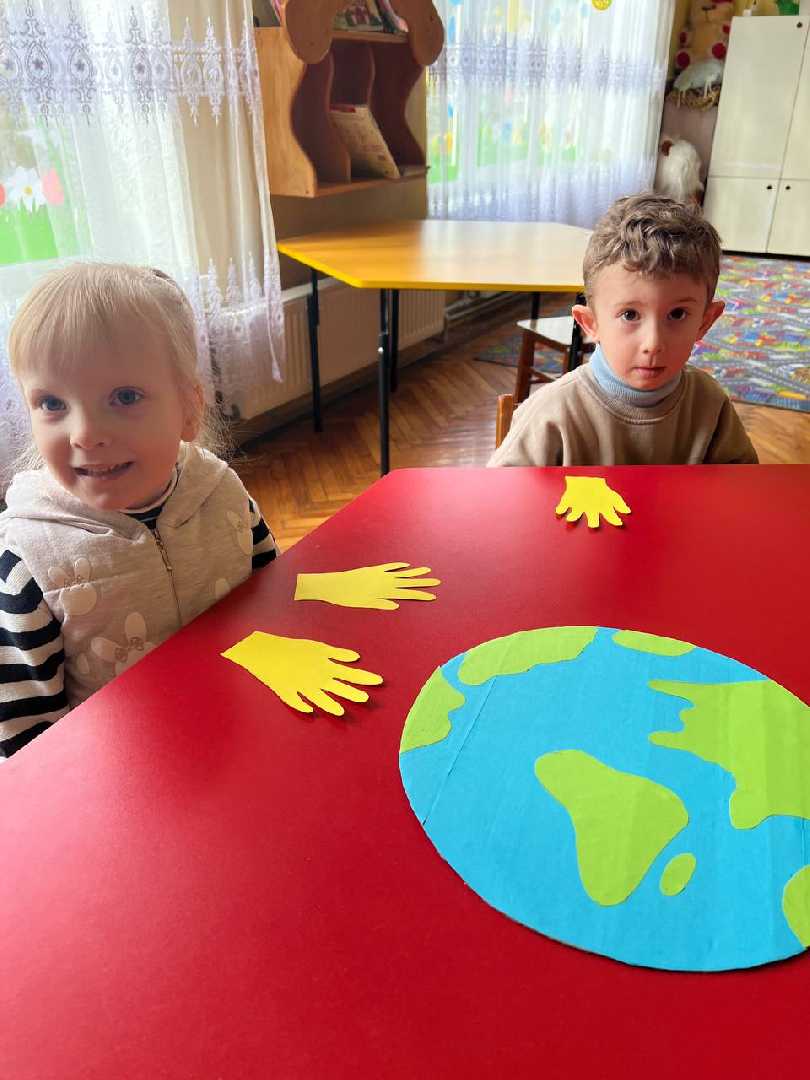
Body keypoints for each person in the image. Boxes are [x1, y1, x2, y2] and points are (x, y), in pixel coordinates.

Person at [0, 262, 281, 757]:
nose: (85, 434)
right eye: (52, 404)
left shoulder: (223, 493)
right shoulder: (29, 561)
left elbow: (273, 600)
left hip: (246, 730)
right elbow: (22, 733)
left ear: (189, 408)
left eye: (124, 397)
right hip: (123, 775)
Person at [489, 193, 758, 468]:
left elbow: (743, 482)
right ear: (590, 324)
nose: (653, 343)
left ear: (705, 321)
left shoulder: (709, 402)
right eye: (630, 315)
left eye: (677, 314)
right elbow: (501, 491)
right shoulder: (551, 412)